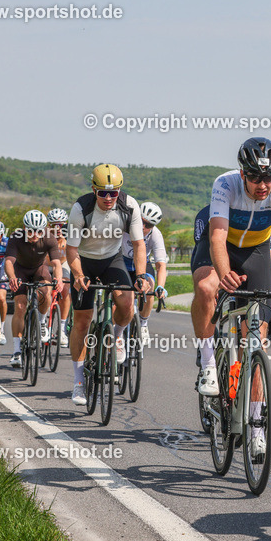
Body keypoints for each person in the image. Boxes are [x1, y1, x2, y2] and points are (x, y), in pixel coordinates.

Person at [189, 137, 271, 458]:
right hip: (222, 246)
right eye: (255, 177)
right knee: (207, 288)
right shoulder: (225, 185)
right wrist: (223, 272)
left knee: (256, 339)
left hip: (256, 250)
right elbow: (217, 236)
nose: (263, 184)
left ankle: (255, 424)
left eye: (268, 177)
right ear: (243, 174)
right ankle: (209, 362)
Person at [65, 164, 148, 406]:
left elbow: (139, 244)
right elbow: (70, 249)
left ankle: (118, 336)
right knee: (82, 321)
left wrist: (141, 275)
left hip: (113, 259)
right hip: (84, 261)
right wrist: (78, 275)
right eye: (103, 193)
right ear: (94, 190)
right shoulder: (81, 209)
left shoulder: (129, 205)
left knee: (126, 303)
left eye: (114, 193)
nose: (109, 198)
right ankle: (79, 382)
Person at [3, 211, 64, 369]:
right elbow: (9, 262)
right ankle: (17, 351)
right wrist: (11, 277)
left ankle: (42, 322)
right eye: (30, 231)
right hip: (20, 270)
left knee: (45, 292)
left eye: (38, 231)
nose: (34, 234)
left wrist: (58, 279)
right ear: (24, 228)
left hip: (39, 269)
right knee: (20, 306)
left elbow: (56, 264)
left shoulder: (49, 238)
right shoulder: (16, 237)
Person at [122, 201, 168, 345]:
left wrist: (161, 286)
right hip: (121, 261)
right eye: (141, 221)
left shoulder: (156, 235)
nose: (143, 227)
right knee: (121, 297)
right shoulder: (123, 227)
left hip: (142, 264)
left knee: (150, 287)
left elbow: (161, 265)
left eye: (148, 225)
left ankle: (143, 324)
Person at [46, 208, 71, 346]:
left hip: (63, 264)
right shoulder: (44, 236)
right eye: (54, 225)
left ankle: (62, 328)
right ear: (48, 226)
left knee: (66, 287)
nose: (57, 228)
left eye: (60, 225)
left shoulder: (69, 237)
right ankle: (42, 323)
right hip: (48, 265)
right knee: (44, 290)